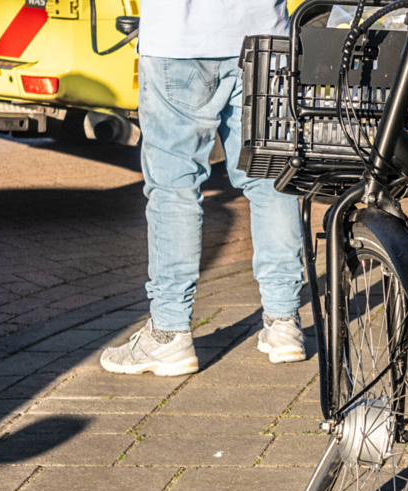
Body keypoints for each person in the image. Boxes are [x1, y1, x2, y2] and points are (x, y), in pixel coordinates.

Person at [101, 0, 306, 376]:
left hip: (180, 40)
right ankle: (283, 323)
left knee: (174, 187)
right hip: (264, 37)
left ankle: (169, 332)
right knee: (271, 179)